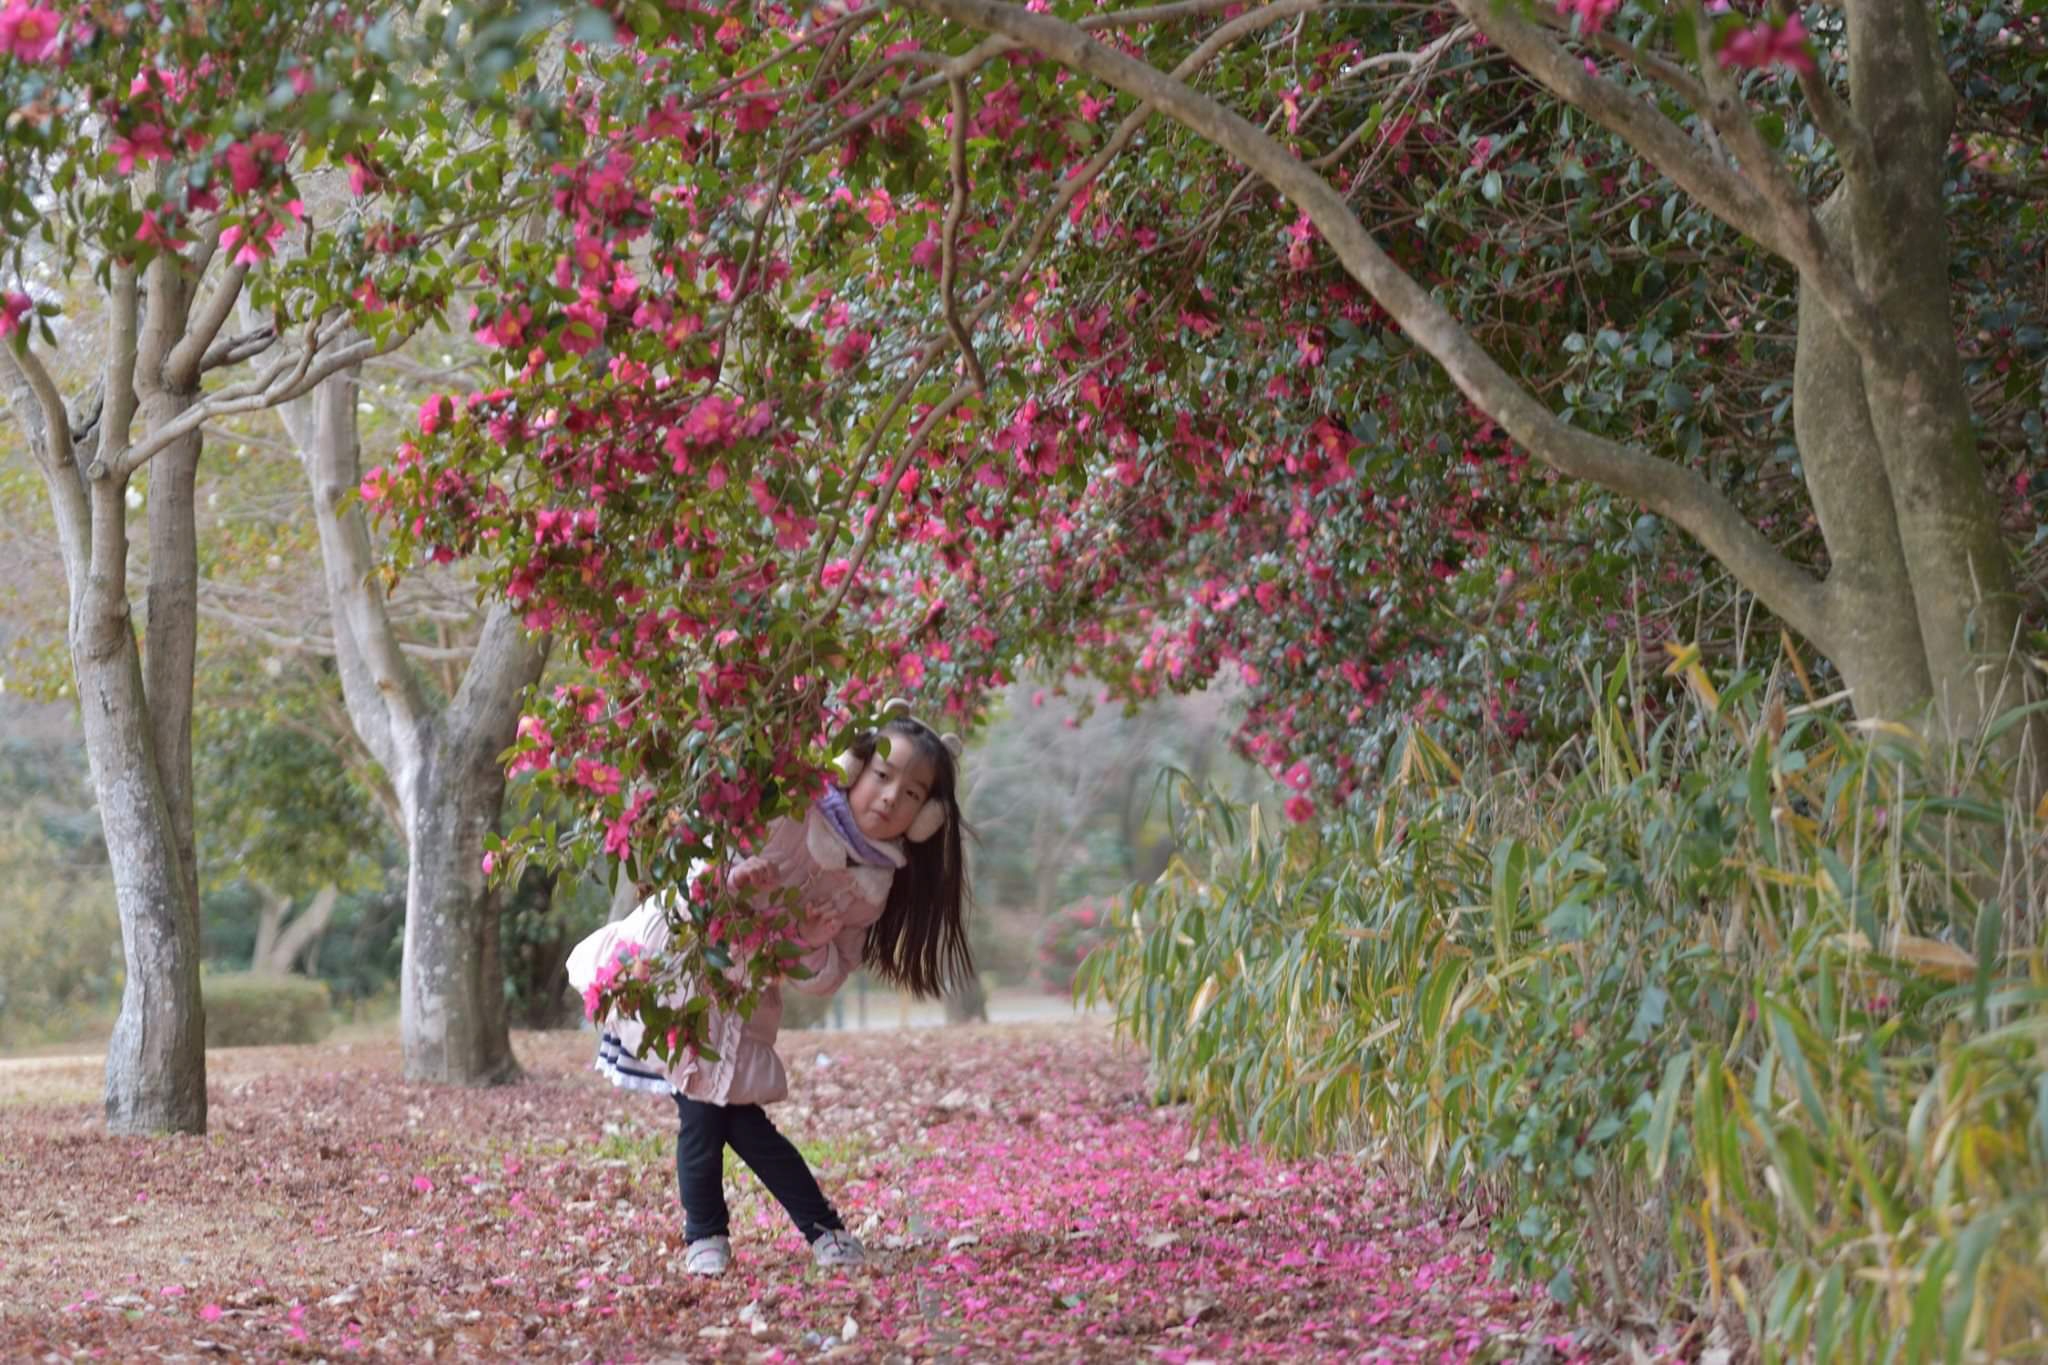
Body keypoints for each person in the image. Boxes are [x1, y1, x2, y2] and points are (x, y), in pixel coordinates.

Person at [565, 715, 972, 1278]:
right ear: (854, 767)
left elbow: (826, 976)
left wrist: (807, 942)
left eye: (911, 794)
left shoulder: (871, 888)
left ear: (926, 818)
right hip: (677, 970)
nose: (889, 798)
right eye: (882, 774)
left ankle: (761, 1234)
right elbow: (694, 868)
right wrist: (727, 885)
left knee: (729, 1117)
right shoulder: (789, 804)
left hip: (742, 1002)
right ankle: (735, 1233)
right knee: (714, 1117)